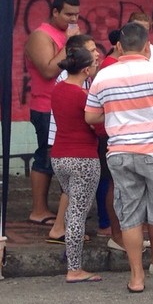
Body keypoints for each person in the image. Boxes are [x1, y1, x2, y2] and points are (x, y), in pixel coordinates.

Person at [85, 22, 153, 293]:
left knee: (130, 215)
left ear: (119, 46)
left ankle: (136, 278)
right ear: (147, 46)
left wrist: (116, 114)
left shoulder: (103, 76)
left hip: (120, 153)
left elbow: (91, 116)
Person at [50, 46, 105, 283]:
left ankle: (73, 263)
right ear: (85, 70)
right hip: (83, 159)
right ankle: (74, 269)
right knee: (77, 215)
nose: (95, 66)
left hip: (59, 157)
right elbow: (98, 127)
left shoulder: (57, 90)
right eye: (93, 64)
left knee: (73, 208)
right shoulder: (84, 96)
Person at [24, 0, 79, 226]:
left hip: (65, 105)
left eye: (76, 15)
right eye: (68, 14)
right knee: (45, 156)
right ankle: (39, 209)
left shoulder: (66, 32)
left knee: (63, 157)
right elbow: (48, 70)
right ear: (54, 12)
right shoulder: (41, 35)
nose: (73, 20)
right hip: (45, 106)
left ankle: (60, 209)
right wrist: (68, 43)